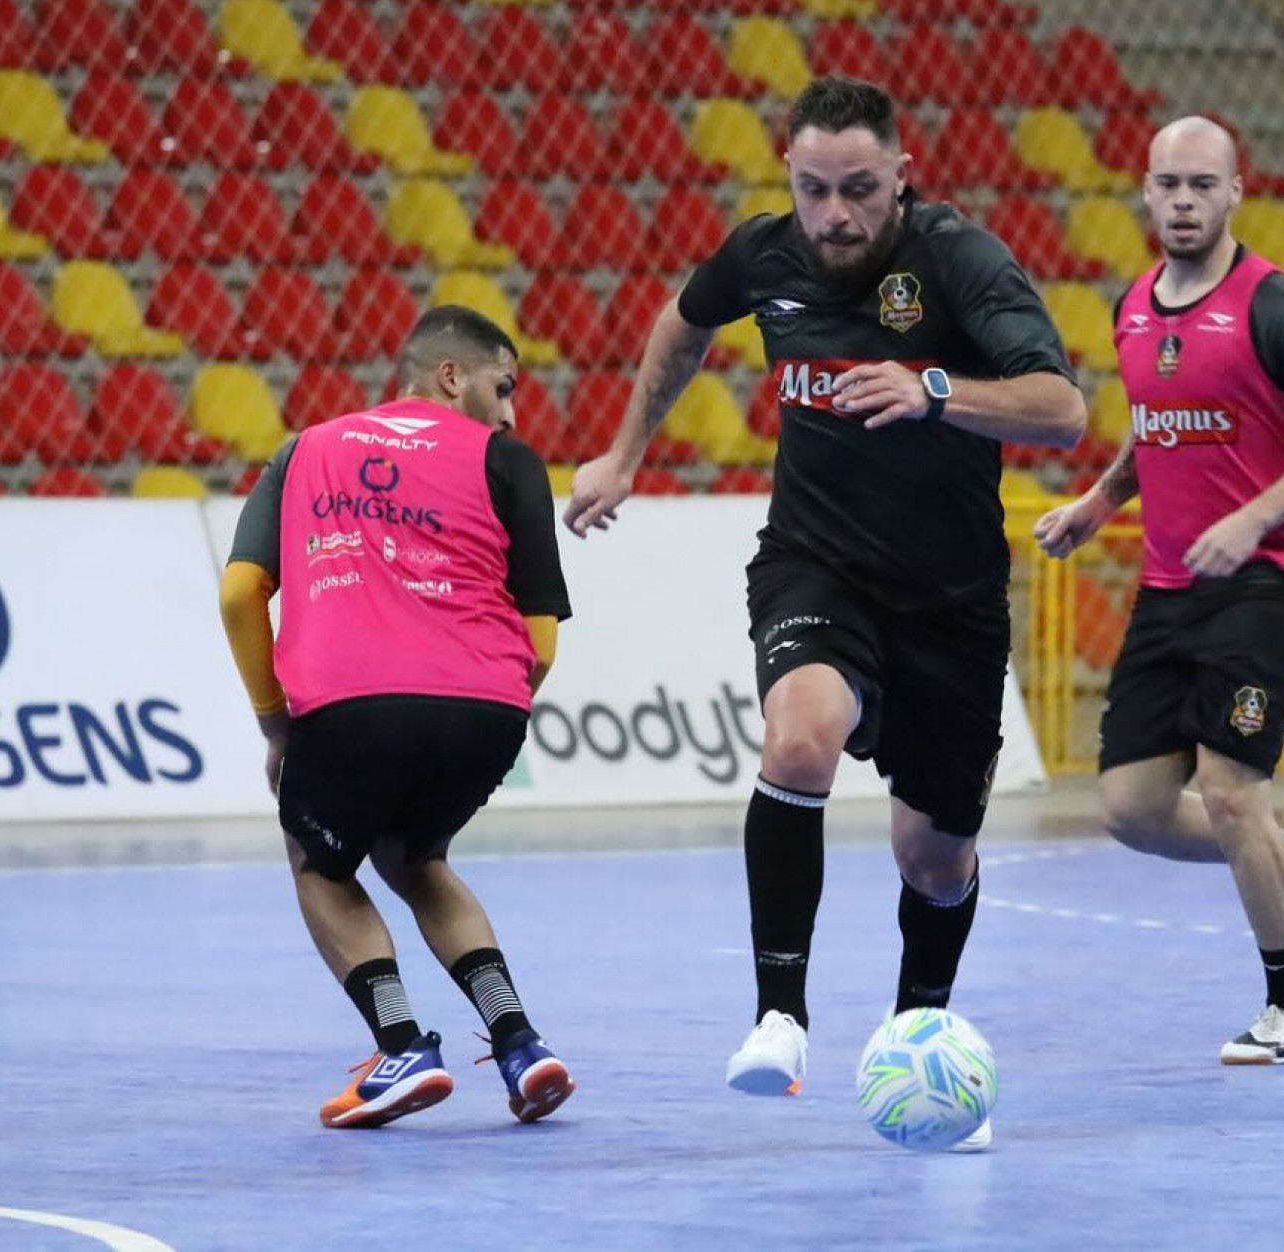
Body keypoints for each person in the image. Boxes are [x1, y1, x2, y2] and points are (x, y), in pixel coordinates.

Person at [563, 77, 1086, 1145]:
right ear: (789, 180)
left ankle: (917, 1031)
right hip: (815, 567)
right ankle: (778, 1018)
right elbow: (681, 319)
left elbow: (1063, 410)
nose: (835, 213)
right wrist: (624, 454)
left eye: (857, 189)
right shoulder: (766, 255)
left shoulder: (959, 263)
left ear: (901, 174)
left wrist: (935, 390)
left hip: (950, 603)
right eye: (814, 189)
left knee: (932, 860)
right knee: (799, 739)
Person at [1033, 117, 1284, 1064]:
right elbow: (1157, 428)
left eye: (1201, 185)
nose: (1182, 202)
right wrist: (1100, 502)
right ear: (1144, 194)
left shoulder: (1274, 307)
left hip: (1264, 582)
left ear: (1234, 194)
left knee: (1231, 795)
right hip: (1168, 585)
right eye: (1166, 185)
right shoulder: (1133, 305)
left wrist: (1255, 517)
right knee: (1134, 810)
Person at [219, 305, 578, 1127]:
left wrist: (278, 726)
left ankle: (402, 1044)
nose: (513, 410)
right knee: (415, 857)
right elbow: (542, 643)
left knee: (319, 858)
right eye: (504, 385)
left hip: (350, 709)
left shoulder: (301, 451)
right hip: (487, 711)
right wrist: (488, 705)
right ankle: (520, 1043)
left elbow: (239, 594)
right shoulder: (511, 461)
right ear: (451, 376)